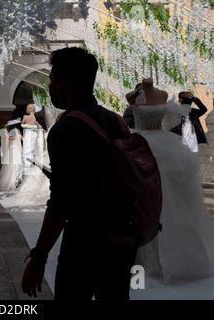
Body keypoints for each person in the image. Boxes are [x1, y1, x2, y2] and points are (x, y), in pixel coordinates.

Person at [21, 47, 137, 301]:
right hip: (121, 240)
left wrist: (38, 257)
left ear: (66, 82)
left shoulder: (66, 129)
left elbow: (61, 203)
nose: (50, 86)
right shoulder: (116, 121)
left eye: (52, 79)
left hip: (84, 243)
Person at [126, 81, 214, 283]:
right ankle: (145, 257)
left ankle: (174, 255)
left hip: (163, 145)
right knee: (146, 199)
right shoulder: (133, 95)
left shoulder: (163, 94)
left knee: (172, 201)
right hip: (143, 144)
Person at [0, 120, 24, 191]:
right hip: (17, 150)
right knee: (16, 165)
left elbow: (9, 142)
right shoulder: (17, 131)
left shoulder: (11, 132)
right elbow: (22, 139)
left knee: (11, 166)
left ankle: (13, 181)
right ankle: (16, 181)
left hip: (12, 150)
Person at [22, 104, 40, 176]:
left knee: (26, 151)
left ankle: (27, 170)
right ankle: (32, 168)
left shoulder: (25, 117)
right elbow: (39, 126)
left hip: (28, 134)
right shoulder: (36, 117)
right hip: (34, 135)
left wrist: (25, 125)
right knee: (33, 151)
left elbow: (22, 124)